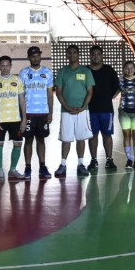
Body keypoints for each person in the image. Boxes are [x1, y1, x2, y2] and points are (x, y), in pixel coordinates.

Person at [53, 45, 95, 178]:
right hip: (67, 112)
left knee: (81, 138)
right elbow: (58, 92)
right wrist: (66, 106)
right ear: (67, 55)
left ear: (78, 55)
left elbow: (90, 91)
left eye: (74, 53)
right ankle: (63, 164)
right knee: (66, 139)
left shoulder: (86, 71)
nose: (72, 55)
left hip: (83, 111)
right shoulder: (62, 72)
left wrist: (83, 107)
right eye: (69, 53)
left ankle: (81, 164)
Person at [0, 55, 26, 181]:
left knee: (18, 144)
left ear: (11, 66)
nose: (5, 68)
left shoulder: (18, 80)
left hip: (16, 119)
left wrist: (24, 119)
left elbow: (22, 100)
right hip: (0, 120)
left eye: (7, 65)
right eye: (2, 66)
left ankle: (13, 170)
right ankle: (0, 170)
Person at [18, 46, 54, 180]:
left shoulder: (48, 72)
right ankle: (27, 167)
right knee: (28, 140)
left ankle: (42, 166)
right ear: (29, 57)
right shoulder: (23, 73)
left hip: (43, 113)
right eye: (33, 56)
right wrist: (22, 115)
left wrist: (50, 113)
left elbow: (50, 95)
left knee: (41, 140)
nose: (36, 58)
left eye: (38, 55)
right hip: (28, 113)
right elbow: (20, 96)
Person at [86, 45, 120, 172]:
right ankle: (93, 160)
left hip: (106, 110)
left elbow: (117, 87)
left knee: (107, 135)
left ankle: (109, 160)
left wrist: (109, 98)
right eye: (93, 54)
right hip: (90, 110)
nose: (96, 56)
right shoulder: (85, 70)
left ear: (102, 56)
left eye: (98, 54)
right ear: (90, 56)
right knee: (92, 135)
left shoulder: (109, 70)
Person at [118, 60, 135, 170]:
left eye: (131, 68)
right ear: (124, 70)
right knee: (127, 136)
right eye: (127, 68)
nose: (129, 70)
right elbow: (113, 92)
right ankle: (129, 160)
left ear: (134, 69)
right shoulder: (120, 80)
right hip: (124, 112)